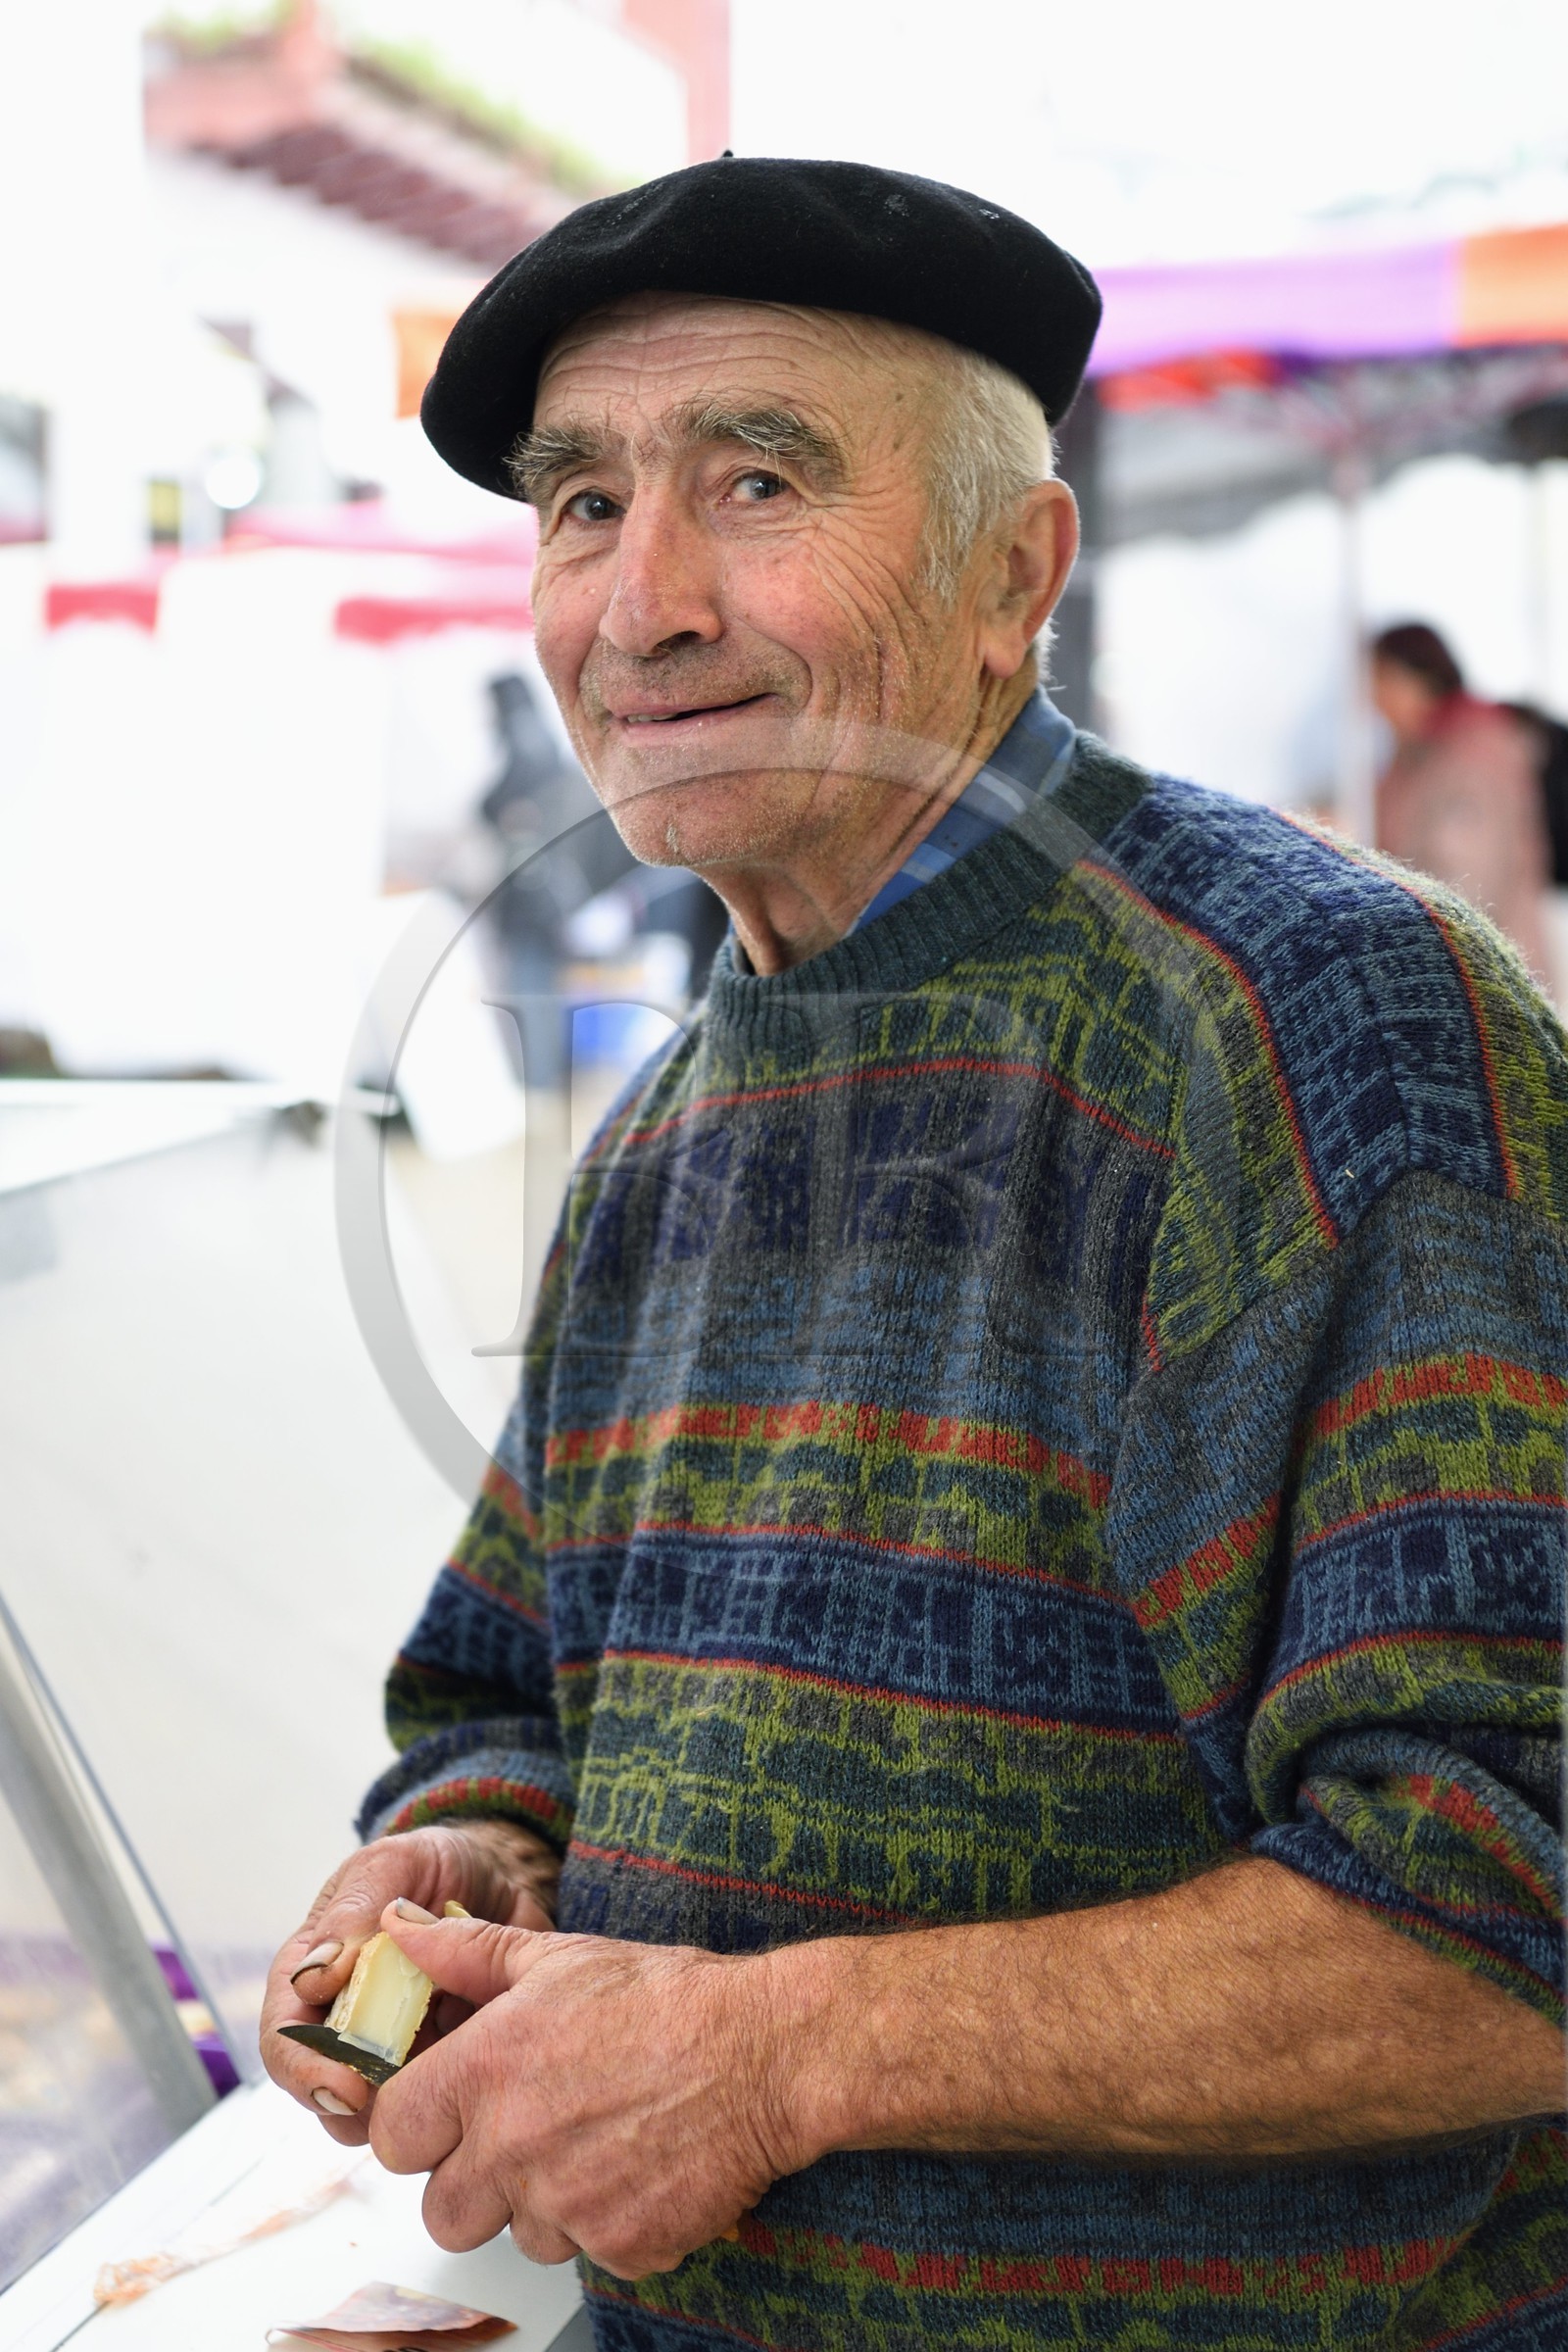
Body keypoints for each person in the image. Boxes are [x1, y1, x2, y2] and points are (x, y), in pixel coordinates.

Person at [264, 160, 1567, 2352]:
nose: (640, 602)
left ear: (1009, 576)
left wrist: (768, 2057)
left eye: (755, 481)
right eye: (580, 504)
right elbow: (500, 1696)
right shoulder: (671, 1123)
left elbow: (1507, 1906)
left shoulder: (1323, 1024)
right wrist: (473, 1858)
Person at [1371, 621, 1555, 990]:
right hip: (1459, 971)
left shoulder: (1473, 752)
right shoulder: (1414, 753)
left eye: (1378, 681)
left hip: (1486, 981)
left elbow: (1472, 881)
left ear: (1412, 679)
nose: (1372, 699)